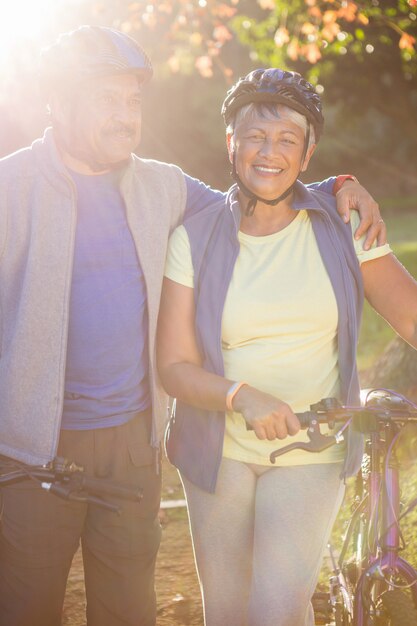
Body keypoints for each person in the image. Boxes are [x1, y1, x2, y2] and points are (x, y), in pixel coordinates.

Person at [0, 24, 383, 626]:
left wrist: (339, 185)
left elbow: (264, 191)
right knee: (25, 610)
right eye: (106, 98)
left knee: (128, 612)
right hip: (29, 456)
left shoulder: (164, 186)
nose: (125, 116)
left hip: (132, 451)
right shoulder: (9, 189)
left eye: (133, 101)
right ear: (58, 100)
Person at [157, 68, 417, 626]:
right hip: (214, 449)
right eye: (254, 136)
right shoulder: (194, 237)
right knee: (227, 614)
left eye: (286, 140)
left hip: (312, 448)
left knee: (275, 609)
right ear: (232, 144)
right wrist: (242, 397)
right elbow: (174, 366)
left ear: (307, 152)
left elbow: (412, 316)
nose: (268, 153)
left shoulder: (343, 224)